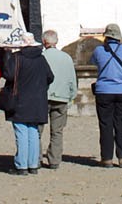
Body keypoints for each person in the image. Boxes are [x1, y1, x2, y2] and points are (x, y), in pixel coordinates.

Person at [2, 34, 53, 175]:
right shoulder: (41, 59)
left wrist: (6, 56)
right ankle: (33, 164)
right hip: (37, 101)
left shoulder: (17, 58)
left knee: (22, 132)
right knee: (33, 133)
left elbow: (8, 75)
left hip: (19, 100)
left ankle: (22, 165)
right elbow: (50, 77)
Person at [91, 23, 122, 168]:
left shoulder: (99, 50)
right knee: (121, 124)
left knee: (105, 125)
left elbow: (94, 62)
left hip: (104, 91)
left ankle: (107, 158)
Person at [40, 30, 78, 170]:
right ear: (57, 41)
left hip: (43, 98)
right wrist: (71, 96)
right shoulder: (66, 57)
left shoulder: (41, 56)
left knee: (37, 131)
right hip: (61, 98)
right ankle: (54, 160)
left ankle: (36, 158)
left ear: (44, 42)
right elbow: (72, 80)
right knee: (57, 131)